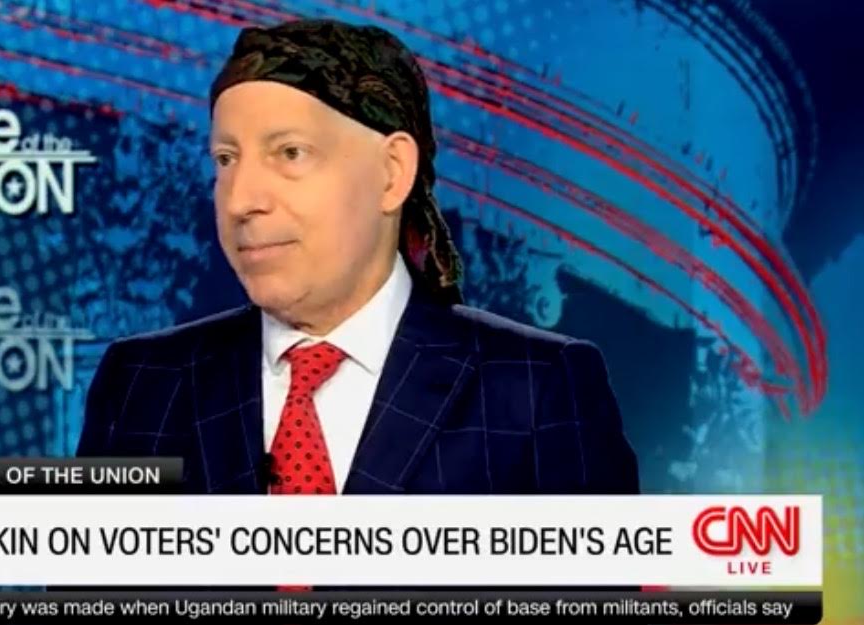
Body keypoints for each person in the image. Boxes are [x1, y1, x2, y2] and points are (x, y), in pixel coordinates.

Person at [76, 18, 638, 496]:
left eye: (290, 153)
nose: (241, 200)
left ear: (391, 173)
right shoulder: (141, 384)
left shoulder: (537, 388)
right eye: (226, 159)